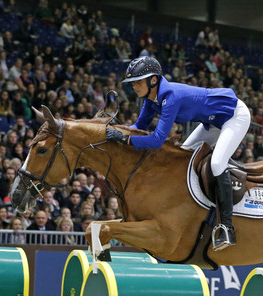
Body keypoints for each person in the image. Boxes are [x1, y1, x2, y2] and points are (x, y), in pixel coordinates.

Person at [106, 56, 249, 250]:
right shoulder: (151, 98)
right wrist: (116, 132)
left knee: (217, 163)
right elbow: (139, 127)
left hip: (234, 115)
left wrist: (125, 139)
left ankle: (226, 227)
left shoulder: (170, 96)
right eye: (132, 83)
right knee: (184, 155)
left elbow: (157, 140)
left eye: (138, 82)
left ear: (153, 80)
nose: (134, 87)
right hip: (212, 122)